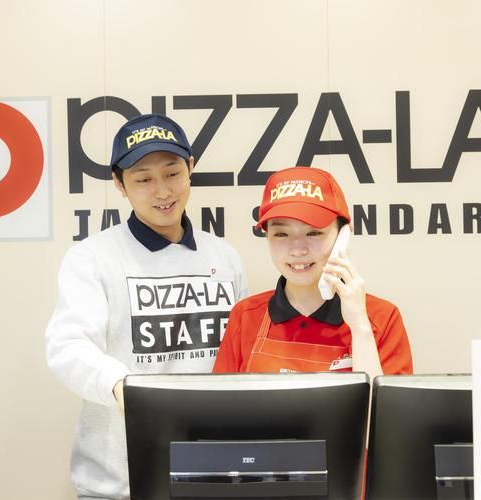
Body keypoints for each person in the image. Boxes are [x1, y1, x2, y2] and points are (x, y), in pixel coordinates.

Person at [46, 113, 248, 500]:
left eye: (172, 173)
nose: (162, 191)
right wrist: (122, 386)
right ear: (119, 184)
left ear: (190, 169)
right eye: (143, 179)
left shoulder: (225, 257)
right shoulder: (92, 258)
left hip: (213, 476)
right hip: (120, 482)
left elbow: (240, 356)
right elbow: (67, 346)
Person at [213, 166, 412, 377]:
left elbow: (383, 400)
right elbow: (221, 398)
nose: (297, 250)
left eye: (314, 233)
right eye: (281, 234)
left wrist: (359, 327)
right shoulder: (245, 317)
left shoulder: (382, 318)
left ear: (343, 235)